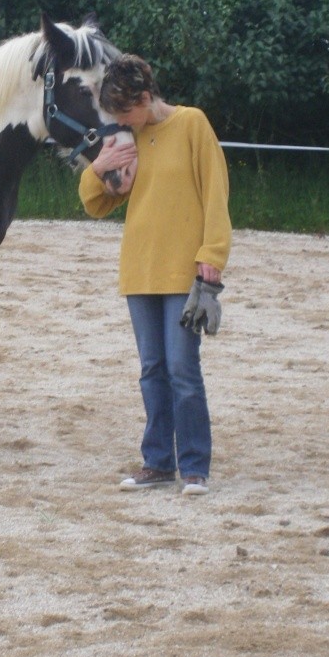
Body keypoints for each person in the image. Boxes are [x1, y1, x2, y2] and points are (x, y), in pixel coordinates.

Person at [78, 54, 231, 495]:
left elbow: (216, 194)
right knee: (152, 370)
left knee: (183, 369)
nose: (121, 121)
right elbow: (96, 203)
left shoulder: (193, 125)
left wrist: (213, 254)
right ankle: (158, 462)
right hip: (139, 271)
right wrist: (99, 168)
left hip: (184, 271)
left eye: (125, 111)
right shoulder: (130, 139)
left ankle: (195, 467)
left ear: (145, 97)